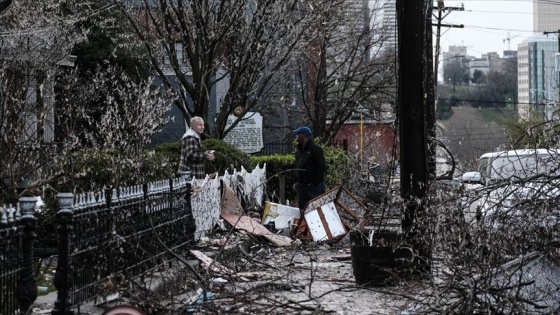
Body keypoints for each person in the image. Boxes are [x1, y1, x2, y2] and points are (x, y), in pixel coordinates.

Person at [293, 126, 327, 210]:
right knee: (303, 211)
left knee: (315, 211)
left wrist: (315, 183)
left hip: (314, 188)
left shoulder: (315, 149)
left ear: (304, 135)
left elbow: (321, 167)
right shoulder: (299, 152)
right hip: (302, 187)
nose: (296, 137)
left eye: (298, 135)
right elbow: (298, 167)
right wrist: (298, 181)